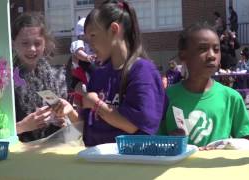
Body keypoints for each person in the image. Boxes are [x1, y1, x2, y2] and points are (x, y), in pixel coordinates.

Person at [78, 0, 165, 146]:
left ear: (114, 29)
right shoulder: (99, 74)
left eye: (93, 36)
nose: (89, 45)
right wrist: (68, 113)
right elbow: (87, 126)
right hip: (97, 161)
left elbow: (133, 125)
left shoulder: (143, 71)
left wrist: (96, 104)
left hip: (129, 163)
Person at [158, 22, 249, 147]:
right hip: (179, 166)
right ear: (183, 55)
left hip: (217, 166)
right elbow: (153, 142)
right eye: (202, 49)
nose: (211, 56)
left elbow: (247, 145)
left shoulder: (231, 98)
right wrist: (168, 143)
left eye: (216, 50)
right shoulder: (166, 98)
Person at [12, 13, 78, 142]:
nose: (31, 49)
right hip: (19, 153)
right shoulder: (4, 81)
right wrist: (22, 127)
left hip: (53, 149)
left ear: (45, 44)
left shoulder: (56, 77)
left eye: (37, 43)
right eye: (25, 43)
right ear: (14, 43)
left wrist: (63, 121)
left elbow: (75, 131)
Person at [66, 17, 96, 94]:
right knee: (85, 84)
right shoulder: (78, 42)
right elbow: (78, 52)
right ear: (81, 35)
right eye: (89, 34)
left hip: (88, 66)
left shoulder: (91, 43)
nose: (91, 37)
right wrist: (86, 57)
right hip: (80, 69)